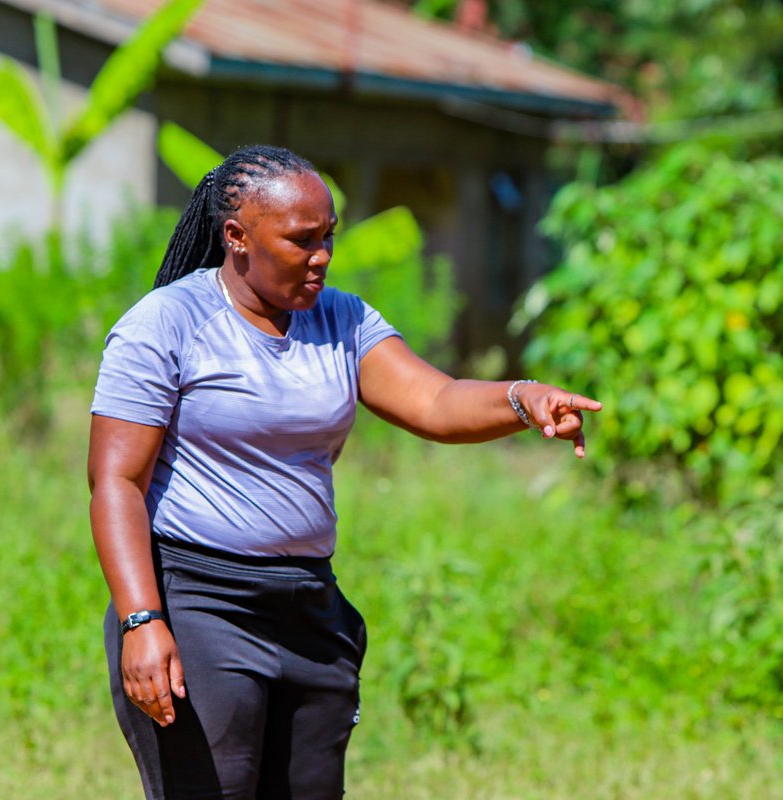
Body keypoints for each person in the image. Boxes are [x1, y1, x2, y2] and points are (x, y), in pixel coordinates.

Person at [87, 144, 602, 800]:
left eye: (328, 237)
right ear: (237, 237)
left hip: (307, 607)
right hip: (198, 602)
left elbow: (436, 402)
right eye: (302, 241)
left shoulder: (342, 319)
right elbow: (116, 482)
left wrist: (520, 400)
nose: (322, 256)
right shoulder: (166, 324)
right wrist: (141, 621)